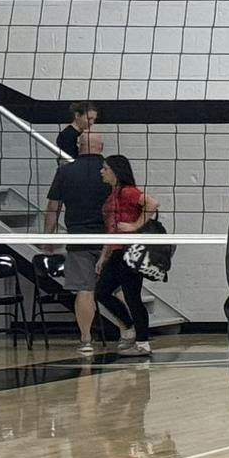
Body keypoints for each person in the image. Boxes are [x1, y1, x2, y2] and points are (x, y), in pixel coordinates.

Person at [43, 130, 110, 356]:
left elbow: (53, 208)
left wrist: (48, 238)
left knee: (84, 289)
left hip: (78, 237)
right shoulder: (111, 171)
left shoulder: (65, 171)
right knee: (118, 288)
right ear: (101, 147)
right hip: (110, 239)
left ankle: (85, 340)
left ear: (79, 146)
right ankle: (128, 334)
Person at [95, 154, 158, 357]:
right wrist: (103, 255)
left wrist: (134, 226)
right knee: (102, 292)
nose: (101, 172)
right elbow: (111, 228)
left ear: (115, 170)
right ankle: (131, 329)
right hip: (117, 251)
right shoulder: (112, 194)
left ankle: (142, 342)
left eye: (105, 168)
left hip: (130, 252)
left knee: (132, 297)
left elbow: (152, 204)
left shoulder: (128, 192)